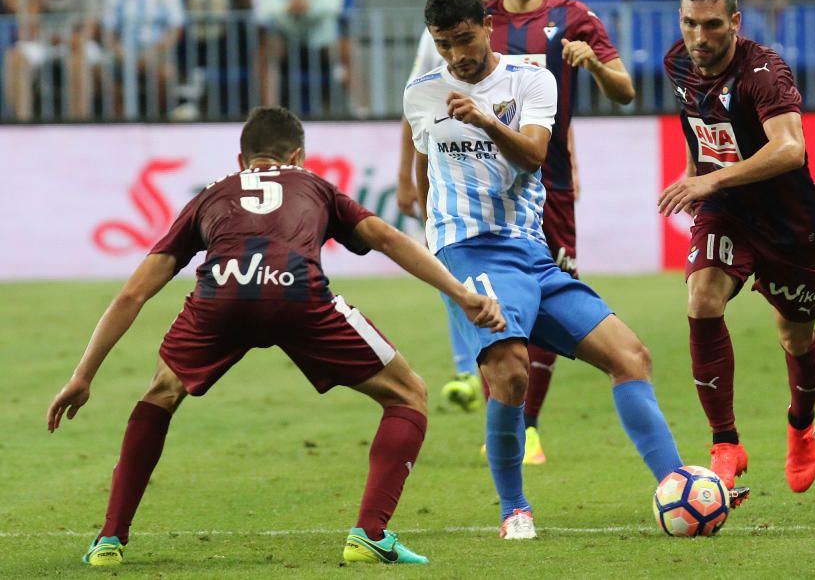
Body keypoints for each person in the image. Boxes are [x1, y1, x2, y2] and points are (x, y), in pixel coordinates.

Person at [47, 105, 505, 567]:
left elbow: (132, 294)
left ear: (241, 159)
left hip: (220, 299)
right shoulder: (315, 186)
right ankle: (370, 534)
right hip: (298, 295)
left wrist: (83, 376)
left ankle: (109, 541)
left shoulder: (211, 194)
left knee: (161, 392)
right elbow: (386, 238)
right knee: (408, 394)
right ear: (298, 155)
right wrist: (461, 292)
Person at [405, 0, 692, 540]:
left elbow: (535, 156)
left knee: (631, 356)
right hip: (468, 249)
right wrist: (434, 234)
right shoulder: (422, 92)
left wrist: (485, 120)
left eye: (463, 39)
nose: (456, 55)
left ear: (484, 27)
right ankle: (515, 508)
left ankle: (677, 488)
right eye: (443, 44)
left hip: (531, 253)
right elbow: (424, 162)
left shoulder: (531, 79)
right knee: (509, 371)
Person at [476, 0, 636, 463]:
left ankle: (531, 426)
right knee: (493, 307)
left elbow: (625, 91)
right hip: (486, 192)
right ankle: (501, 422)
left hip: (552, 189)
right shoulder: (477, 24)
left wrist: (593, 63)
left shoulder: (573, 18)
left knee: (549, 299)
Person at [659, 0, 815, 494]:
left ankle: (801, 423)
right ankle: (725, 443)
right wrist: (695, 175)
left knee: (793, 335)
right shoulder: (677, 63)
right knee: (702, 297)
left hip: (785, 219)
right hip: (726, 208)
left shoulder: (763, 73)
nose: (699, 38)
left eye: (711, 26)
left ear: (735, 21)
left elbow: (790, 149)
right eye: (689, 24)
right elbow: (699, 126)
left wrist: (710, 181)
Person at [396, 0, 500, 413]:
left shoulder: (519, 31)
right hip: (451, 167)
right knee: (450, 260)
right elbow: (416, 105)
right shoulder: (438, 34)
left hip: (512, 177)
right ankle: (469, 369)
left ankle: (509, 370)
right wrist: (406, 175)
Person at [4, 0, 99, 120]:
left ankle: (78, 120)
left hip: (78, 43)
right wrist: (35, 3)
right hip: (44, 45)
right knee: (15, 56)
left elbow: (89, 28)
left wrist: (71, 39)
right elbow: (27, 36)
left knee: (78, 56)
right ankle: (21, 121)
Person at [251, 0, 344, 112]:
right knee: (265, 50)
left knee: (347, 48)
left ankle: (361, 110)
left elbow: (334, 5)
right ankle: (269, 111)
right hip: (286, 43)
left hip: (321, 42)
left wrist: (308, 6)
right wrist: (288, 6)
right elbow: (262, 11)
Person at [100, 0, 184, 119]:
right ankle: (120, 121)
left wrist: (155, 52)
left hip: (157, 50)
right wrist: (118, 51)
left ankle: (160, 119)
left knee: (166, 74)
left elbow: (175, 28)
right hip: (122, 52)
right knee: (102, 71)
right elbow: (108, 29)